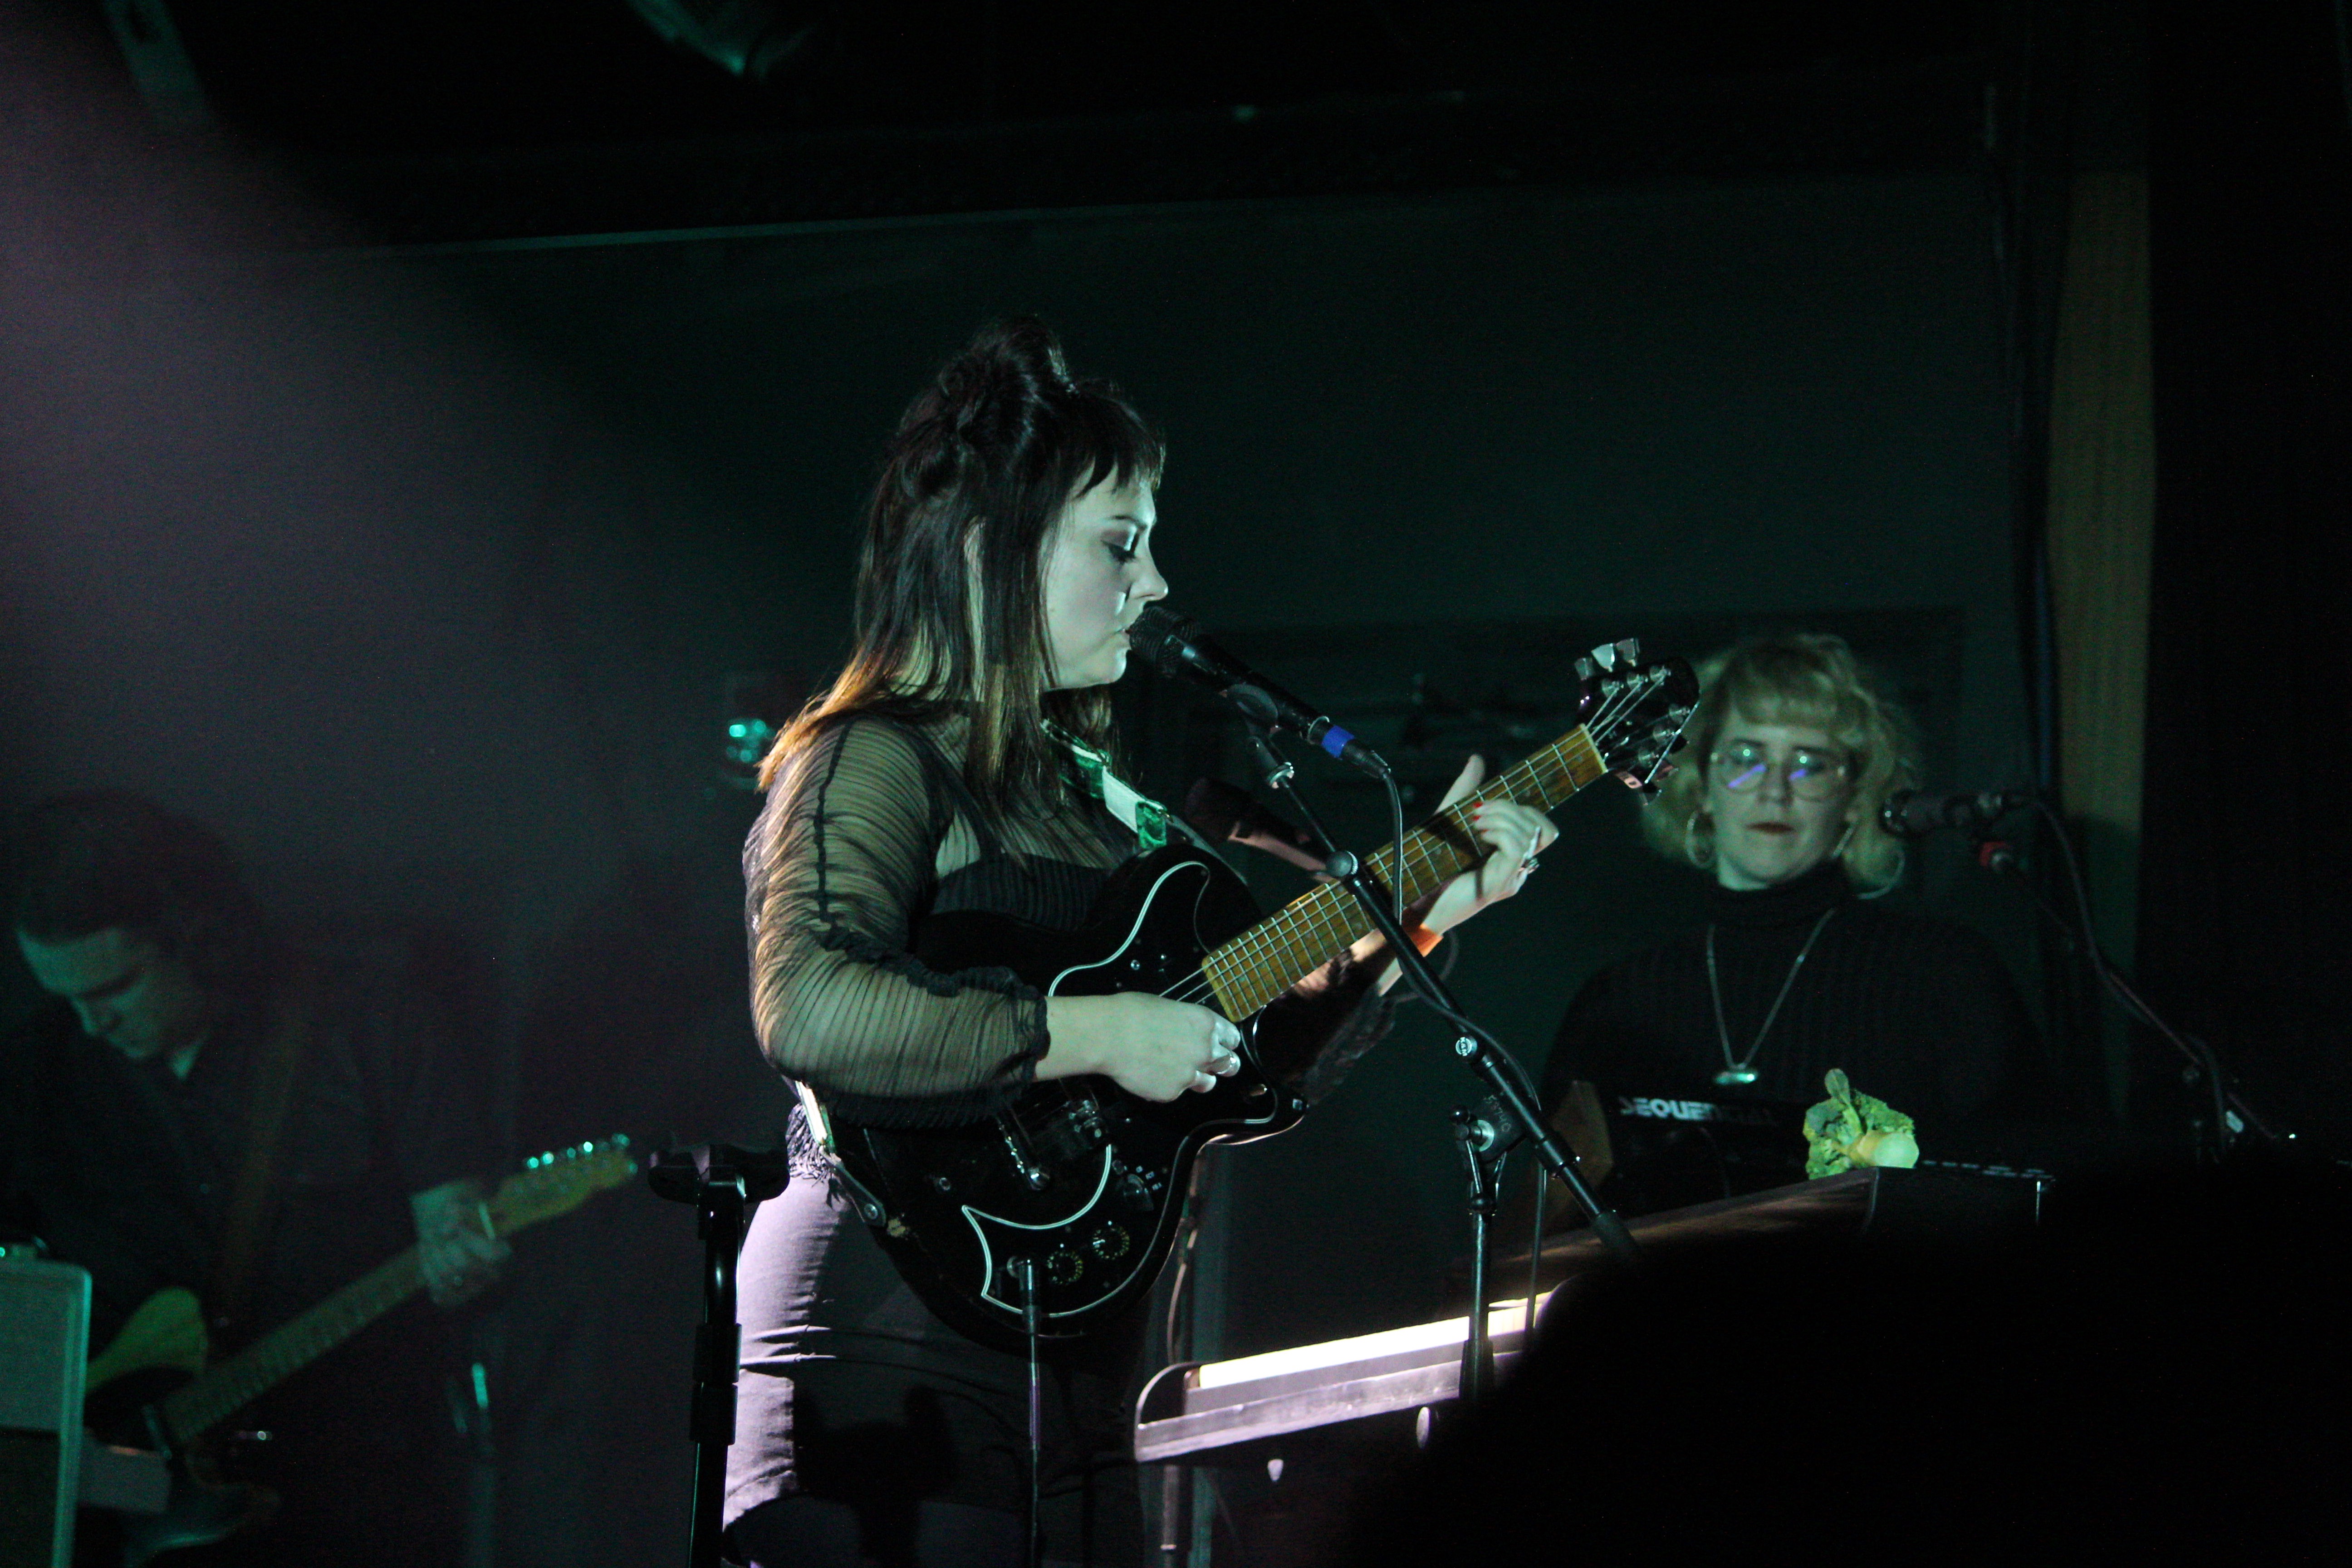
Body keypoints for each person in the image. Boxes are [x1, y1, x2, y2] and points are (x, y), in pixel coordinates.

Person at [728, 318, 1553, 1568]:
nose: (1158, 584)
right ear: (987, 548)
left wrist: (1431, 912)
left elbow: (1253, 1063)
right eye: (1123, 544)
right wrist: (1096, 1030)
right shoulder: (874, 758)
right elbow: (810, 1009)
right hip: (888, 1343)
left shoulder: (1108, 805)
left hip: (1089, 1360)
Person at [1, 790, 507, 1567]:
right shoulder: (41, 1067)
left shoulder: (373, 1022)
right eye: (66, 997)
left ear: (194, 940)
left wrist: (459, 1263)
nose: (91, 1024)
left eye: (113, 990)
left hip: (351, 1491)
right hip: (116, 1505)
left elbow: (457, 1227)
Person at [1539, 633, 2038, 1204]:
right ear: (1699, 786)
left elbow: (2015, 1186)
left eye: (1809, 765)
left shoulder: (1943, 974)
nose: (1775, 791)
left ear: (1856, 796)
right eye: (1745, 759)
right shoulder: (1620, 999)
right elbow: (1549, 1214)